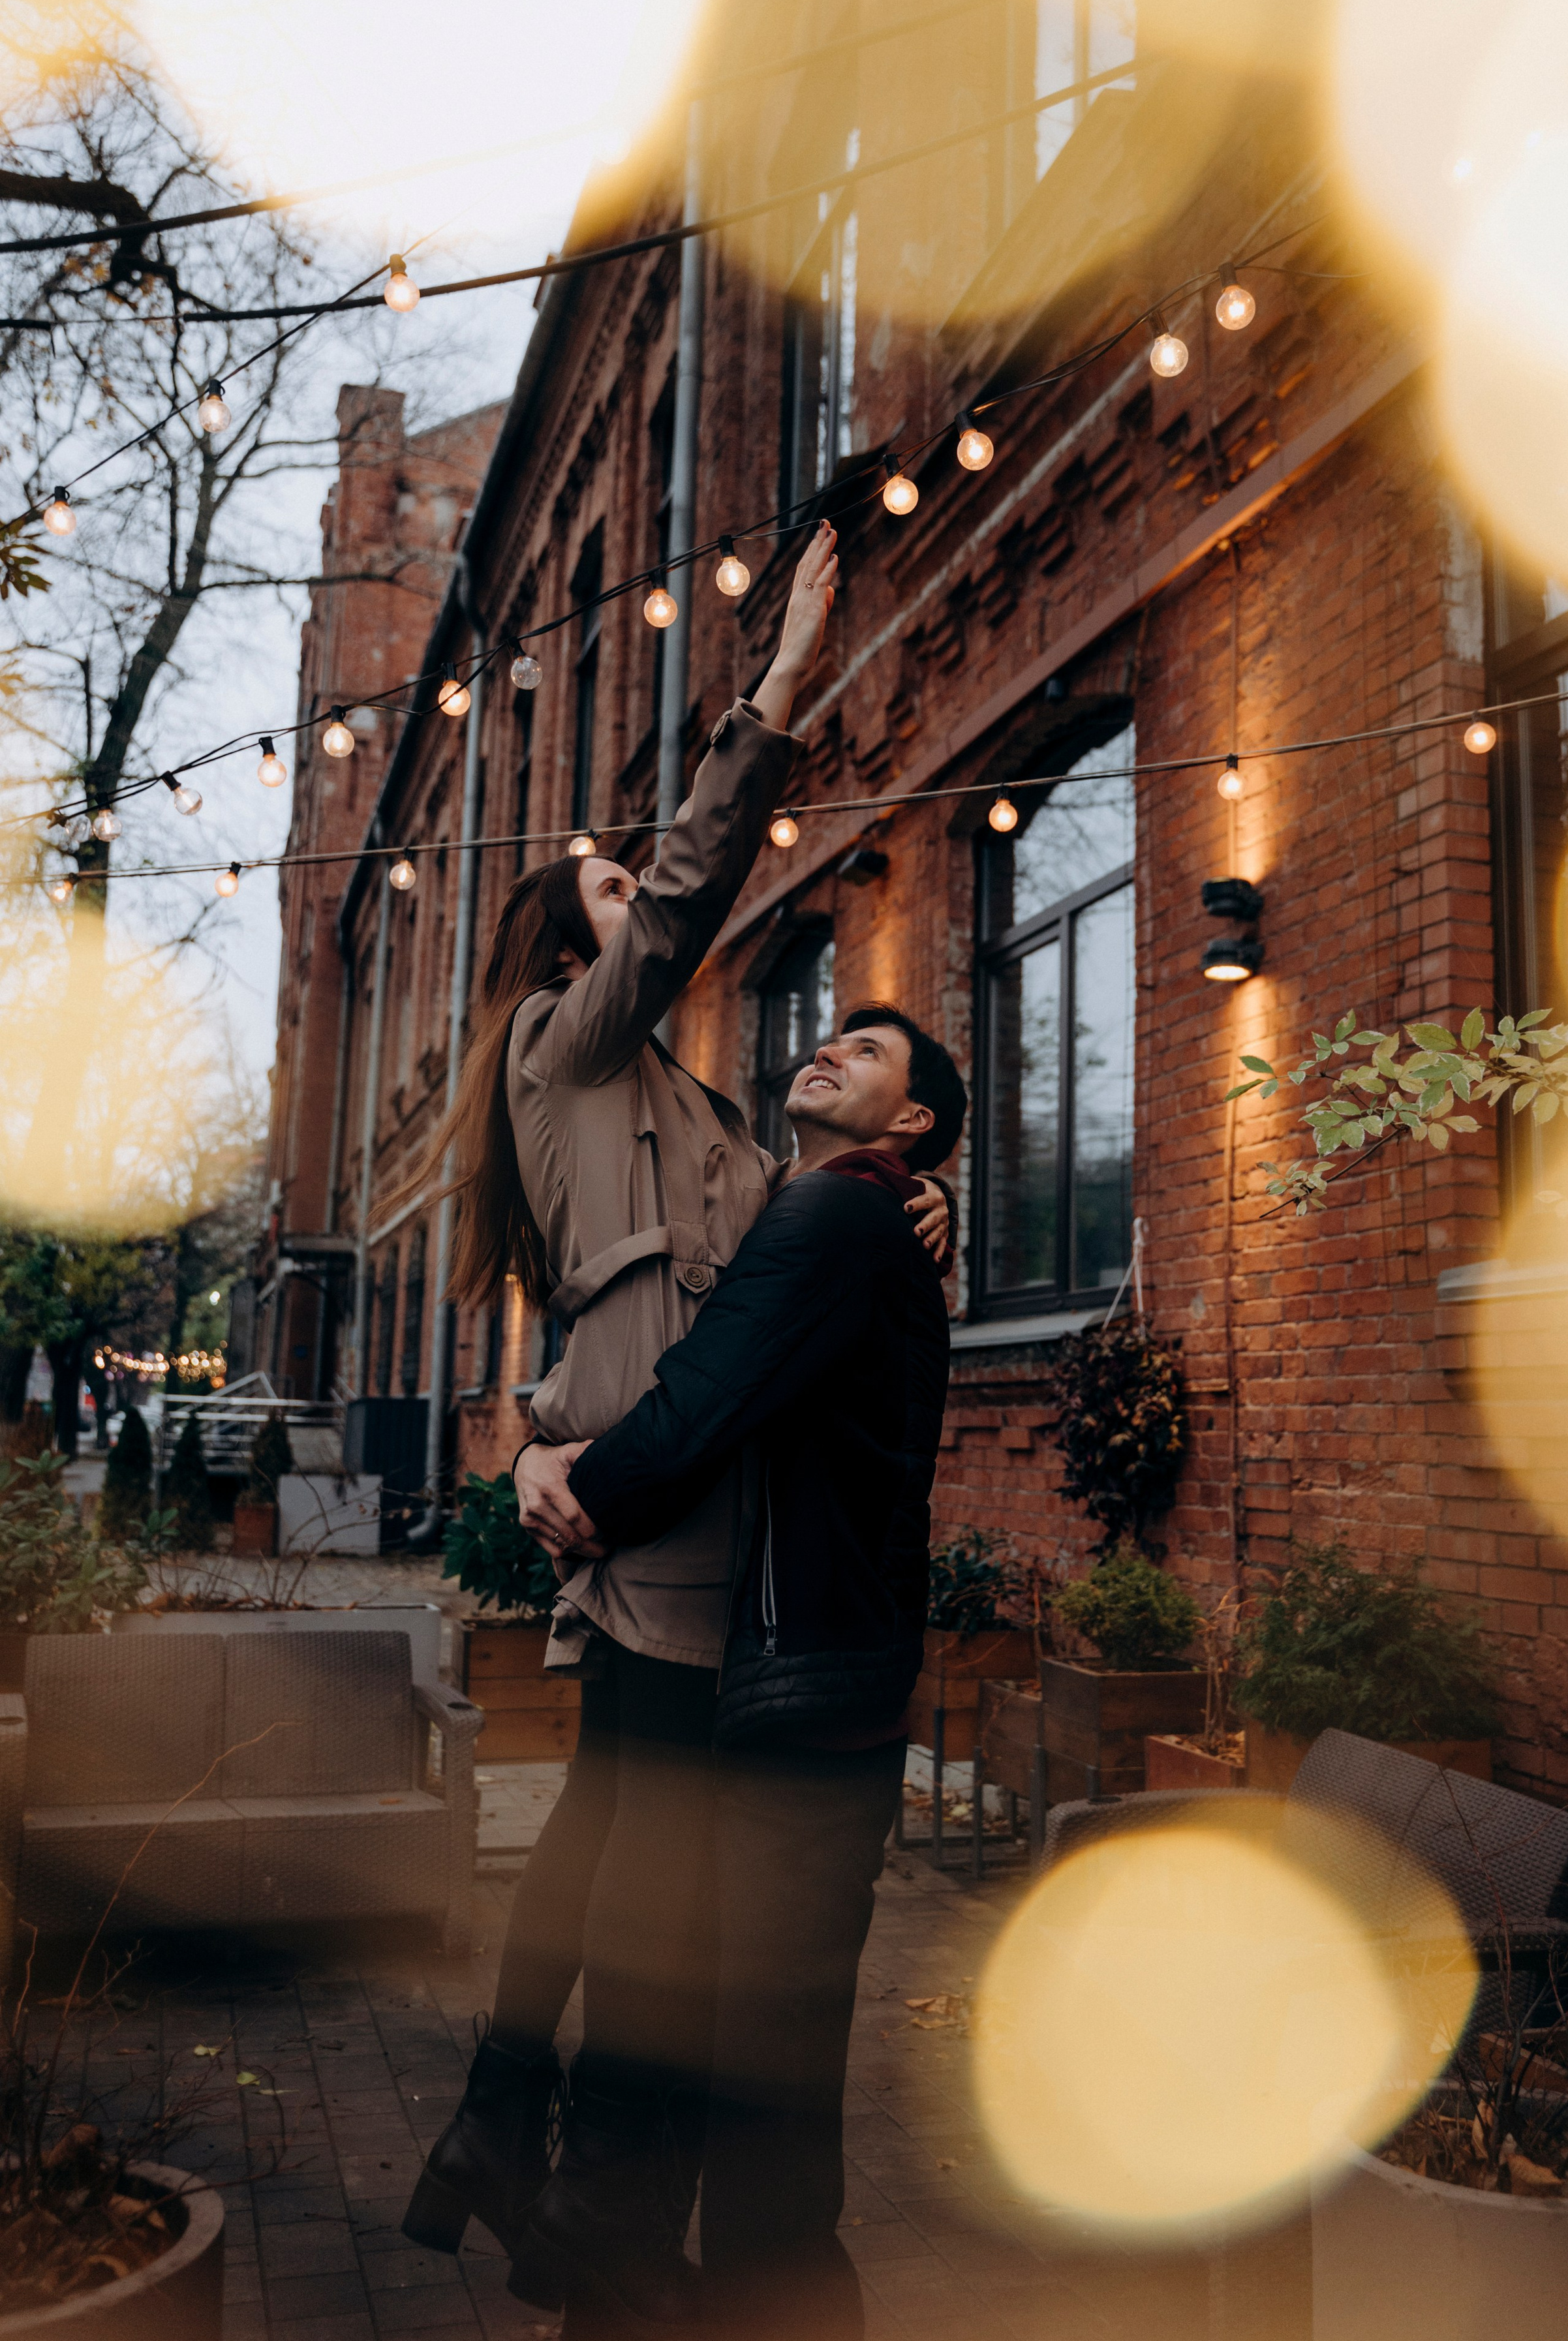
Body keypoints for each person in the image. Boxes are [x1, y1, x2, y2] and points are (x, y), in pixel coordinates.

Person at [401, 527, 953, 2268]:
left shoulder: (704, 1110)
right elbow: (700, 891)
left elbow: (779, 1284)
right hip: (659, 1525)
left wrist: (905, 1213)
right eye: (618, 884)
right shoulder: (565, 1038)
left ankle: (539, 2158)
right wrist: (777, 693)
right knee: (639, 1853)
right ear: (580, 942)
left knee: (632, 1843)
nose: (645, 889)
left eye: (639, 879)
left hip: (718, 1524)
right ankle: (562, 2177)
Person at [506, 1005, 964, 2340]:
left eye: (866, 1054)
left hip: (804, 1720)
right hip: (819, 1705)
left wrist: (569, 1488)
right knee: (749, 2064)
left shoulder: (832, 1222)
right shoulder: (850, 1216)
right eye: (824, 1036)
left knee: (764, 2094)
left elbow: (694, 1402)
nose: (825, 1048)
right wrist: (543, 1444)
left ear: (912, 1122)